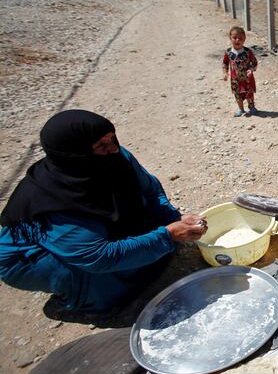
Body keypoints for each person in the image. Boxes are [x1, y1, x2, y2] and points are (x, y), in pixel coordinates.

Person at [0, 110, 207, 314]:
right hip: (30, 258)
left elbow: (151, 191)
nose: (114, 149)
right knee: (105, 287)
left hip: (92, 234)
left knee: (151, 245)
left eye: (112, 139)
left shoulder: (116, 156)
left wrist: (173, 219)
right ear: (74, 155)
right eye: (101, 146)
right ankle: (82, 299)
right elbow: (99, 256)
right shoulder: (50, 203)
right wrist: (168, 235)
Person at [222, 26, 258, 117]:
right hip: (235, 79)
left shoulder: (248, 52)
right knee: (237, 94)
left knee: (249, 92)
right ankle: (241, 109)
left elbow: (254, 63)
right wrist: (225, 73)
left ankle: (251, 106)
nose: (237, 40)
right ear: (230, 38)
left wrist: (251, 69)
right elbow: (225, 63)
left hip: (247, 78)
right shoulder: (228, 52)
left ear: (244, 39)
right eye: (234, 38)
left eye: (240, 38)